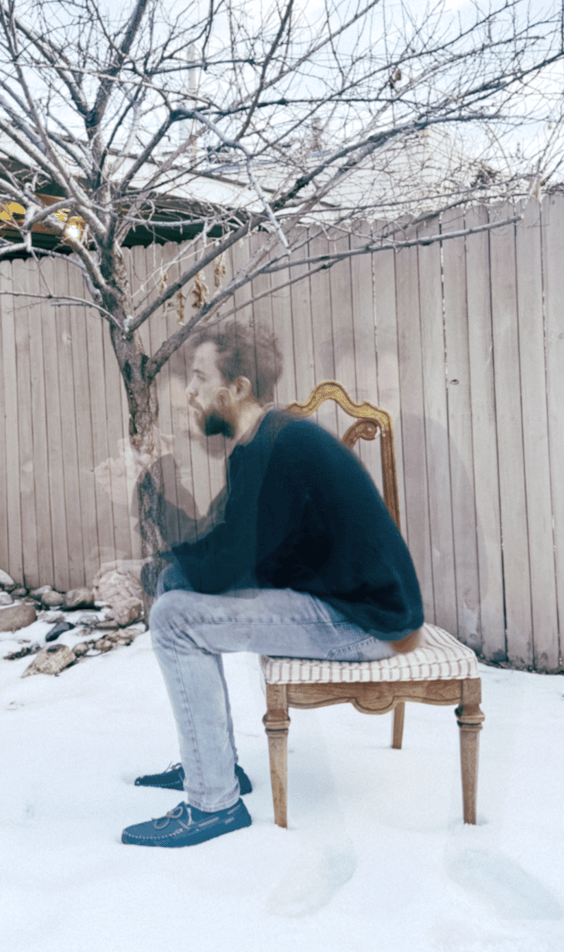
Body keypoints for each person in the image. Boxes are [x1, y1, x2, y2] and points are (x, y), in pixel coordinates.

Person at [121, 321, 424, 848]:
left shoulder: (274, 449)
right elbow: (224, 547)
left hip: (364, 623)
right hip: (340, 601)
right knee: (174, 585)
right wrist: (160, 563)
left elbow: (224, 570)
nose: (188, 391)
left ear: (237, 388)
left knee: (172, 619)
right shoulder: (266, 439)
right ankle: (212, 763)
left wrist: (144, 520)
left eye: (200, 377)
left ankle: (213, 801)